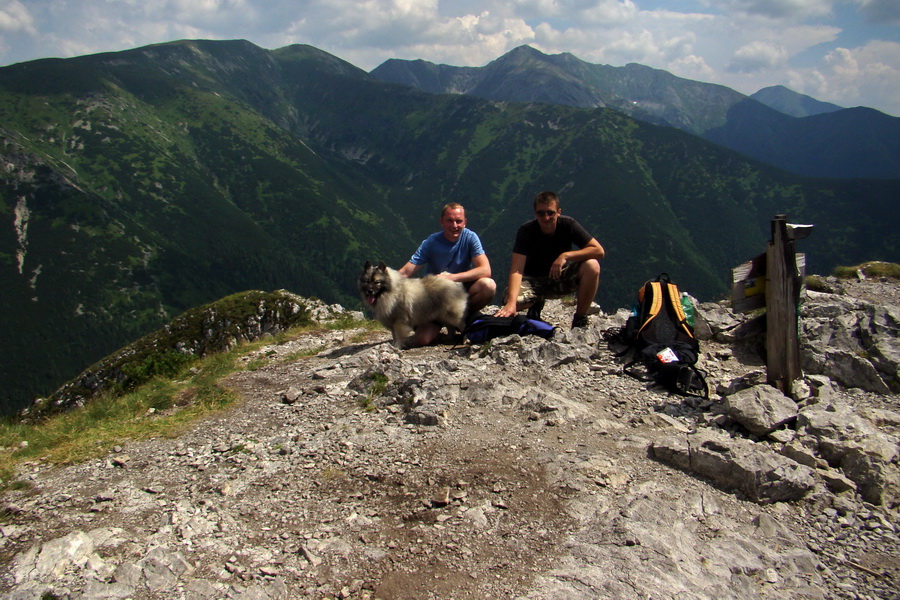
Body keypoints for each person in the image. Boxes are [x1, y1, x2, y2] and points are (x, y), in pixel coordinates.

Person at [494, 191, 604, 328]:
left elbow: (598, 251)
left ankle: (580, 317)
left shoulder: (568, 225)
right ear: (535, 214)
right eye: (541, 213)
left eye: (550, 213)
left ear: (559, 212)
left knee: (592, 266)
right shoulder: (526, 231)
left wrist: (565, 256)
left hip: (558, 278)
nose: (546, 217)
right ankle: (536, 302)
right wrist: (511, 303)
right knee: (513, 301)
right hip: (532, 281)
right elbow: (517, 269)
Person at [399, 202, 496, 345]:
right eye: (449, 221)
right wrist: (386, 282)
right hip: (435, 300)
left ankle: (461, 318)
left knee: (488, 286)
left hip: (460, 295)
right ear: (441, 222)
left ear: (465, 222)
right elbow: (407, 270)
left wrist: (450, 278)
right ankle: (455, 321)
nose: (454, 225)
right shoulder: (431, 242)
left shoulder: (470, 237)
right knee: (422, 339)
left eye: (459, 221)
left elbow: (485, 270)